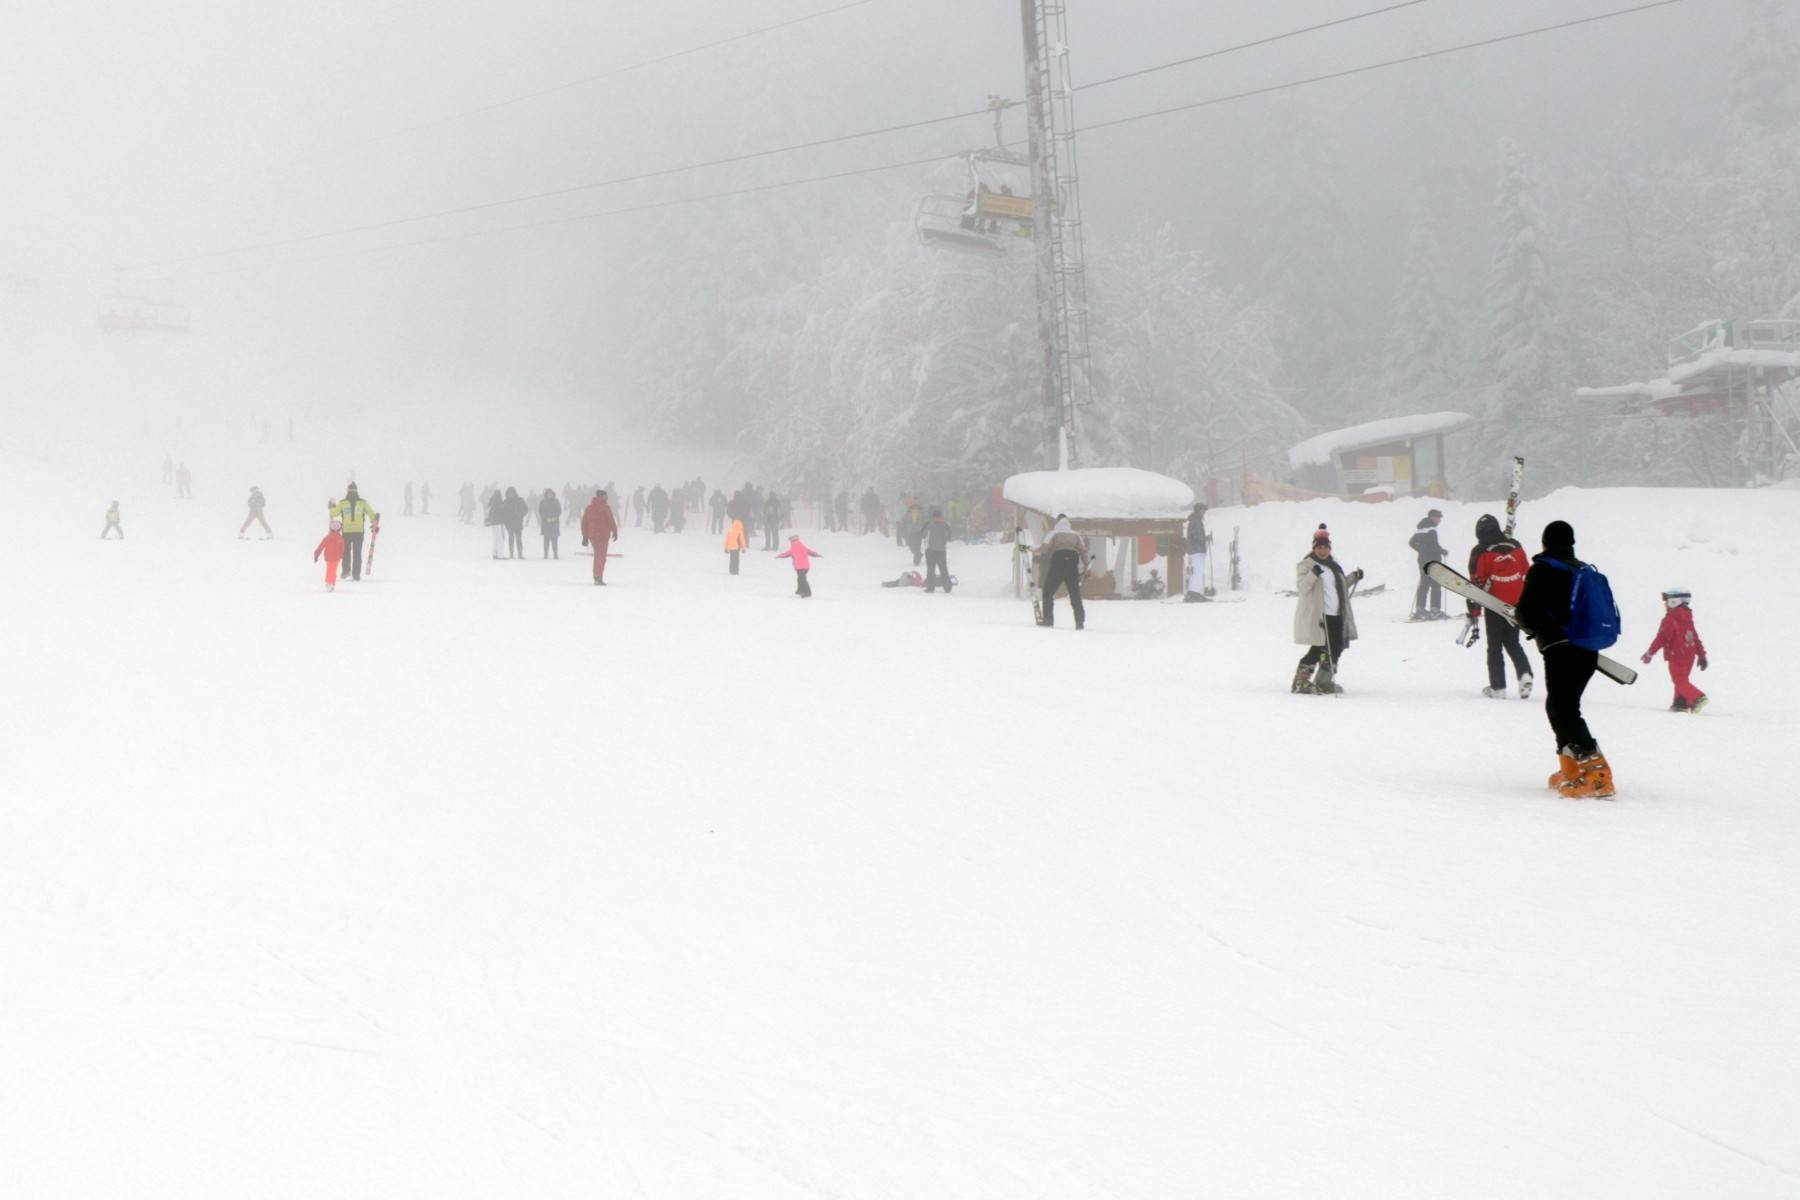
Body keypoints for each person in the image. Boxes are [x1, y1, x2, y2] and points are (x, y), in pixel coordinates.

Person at [1515, 520, 1614, 798]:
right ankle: (1572, 767)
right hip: (1587, 648)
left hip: (1560, 648)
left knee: (1564, 708)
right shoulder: (1581, 569)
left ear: (1545, 542)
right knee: (1561, 705)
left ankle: (1598, 776)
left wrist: (1533, 627)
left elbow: (1526, 611)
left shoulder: (1543, 569)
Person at [1468, 513, 1532, 698]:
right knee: (1513, 642)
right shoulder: (1515, 545)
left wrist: (1474, 610)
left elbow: (1475, 584)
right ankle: (1525, 674)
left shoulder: (1479, 550)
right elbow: (1526, 570)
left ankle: (1498, 688)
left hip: (1494, 603)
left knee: (1494, 646)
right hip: (1516, 602)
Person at [1291, 529, 1362, 694]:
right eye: (1319, 547)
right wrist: (1313, 574)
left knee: (1336, 648)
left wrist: (1354, 577)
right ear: (1314, 548)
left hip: (1337, 614)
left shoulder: (1334, 566)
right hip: (1319, 616)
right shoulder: (1306, 565)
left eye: (1325, 547)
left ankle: (1324, 681)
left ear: (1329, 548)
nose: (1322, 550)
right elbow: (1302, 588)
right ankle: (1300, 682)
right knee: (1318, 648)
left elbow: (1340, 586)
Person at [1642, 587, 1708, 713]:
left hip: (1677, 655)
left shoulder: (1670, 619)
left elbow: (1661, 638)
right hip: (1689, 655)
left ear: (1674, 601)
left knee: (1679, 680)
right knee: (1682, 680)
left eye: (1667, 601)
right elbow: (1695, 637)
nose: (1665, 604)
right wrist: (1701, 655)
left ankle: (1698, 697)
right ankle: (1680, 703)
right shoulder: (1688, 618)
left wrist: (1650, 653)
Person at [1035, 515, 1086, 629]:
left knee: (1048, 592)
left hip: (1058, 561)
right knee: (1075, 594)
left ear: (1057, 522)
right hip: (1072, 562)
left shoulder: (1054, 533)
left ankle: (1048, 620)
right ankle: (1079, 621)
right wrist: (1086, 566)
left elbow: (1044, 547)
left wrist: (1026, 548)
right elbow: (1083, 550)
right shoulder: (1075, 534)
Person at [328, 483, 377, 581]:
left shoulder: (343, 503)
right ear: (357, 491)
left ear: (348, 491)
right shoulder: (362, 503)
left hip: (347, 532)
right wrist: (374, 523)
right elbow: (372, 513)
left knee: (346, 552)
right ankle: (356, 574)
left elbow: (334, 513)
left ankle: (346, 570)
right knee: (357, 553)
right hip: (359, 532)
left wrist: (331, 506)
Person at [1408, 508, 1448, 620]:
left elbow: (1411, 542)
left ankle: (1420, 609)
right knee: (1436, 584)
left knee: (1424, 583)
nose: (1439, 520)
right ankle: (1435, 610)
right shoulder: (1432, 529)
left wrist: (1421, 550)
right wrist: (1442, 551)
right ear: (1432, 517)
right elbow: (1434, 545)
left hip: (1422, 560)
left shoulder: (1420, 529)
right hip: (1433, 560)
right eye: (1438, 518)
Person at [580, 489, 620, 585]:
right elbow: (611, 520)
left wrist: (585, 536)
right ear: (602, 496)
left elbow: (584, 523)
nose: (607, 498)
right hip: (603, 535)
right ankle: (598, 576)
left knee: (598, 555)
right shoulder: (605, 508)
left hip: (592, 535)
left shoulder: (589, 508)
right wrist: (615, 531)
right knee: (601, 556)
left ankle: (597, 576)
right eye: (606, 496)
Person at [922, 508, 953, 593]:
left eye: (938, 517)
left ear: (941, 517)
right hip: (930, 550)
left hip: (941, 551)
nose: (937, 519)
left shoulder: (945, 525)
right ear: (933, 517)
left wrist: (946, 538)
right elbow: (923, 534)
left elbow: (950, 536)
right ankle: (930, 588)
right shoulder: (929, 524)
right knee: (930, 570)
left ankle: (947, 587)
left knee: (943, 569)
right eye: (935, 517)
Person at [1184, 502, 1210, 601]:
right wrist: (1205, 539)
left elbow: (1196, 536)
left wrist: (1204, 538)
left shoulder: (1195, 520)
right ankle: (1193, 593)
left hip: (1195, 549)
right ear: (1198, 511)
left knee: (1197, 572)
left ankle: (1193, 592)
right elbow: (1196, 536)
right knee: (1198, 572)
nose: (1204, 512)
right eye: (1202, 510)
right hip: (1196, 550)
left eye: (1204, 510)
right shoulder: (1196, 521)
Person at [313, 519, 345, 591]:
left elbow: (321, 546)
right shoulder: (341, 539)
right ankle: (331, 583)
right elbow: (342, 549)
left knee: (330, 569)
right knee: (333, 570)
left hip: (328, 557)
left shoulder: (327, 538)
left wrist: (316, 554)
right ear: (340, 529)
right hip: (336, 558)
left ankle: (329, 582)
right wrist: (342, 556)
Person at [502, 486, 527, 558]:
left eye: (512, 493)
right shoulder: (505, 502)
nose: (511, 494)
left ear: (514, 493)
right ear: (507, 494)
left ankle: (520, 553)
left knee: (519, 539)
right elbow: (503, 512)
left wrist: (520, 515)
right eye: (509, 493)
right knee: (511, 538)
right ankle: (511, 553)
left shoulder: (520, 500)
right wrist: (505, 519)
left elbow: (525, 509)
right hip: (509, 523)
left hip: (518, 522)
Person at [538, 488, 562, 558]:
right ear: (546, 494)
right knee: (546, 540)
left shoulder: (556, 501)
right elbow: (540, 511)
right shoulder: (543, 502)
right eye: (548, 494)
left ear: (553, 494)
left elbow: (559, 510)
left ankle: (555, 554)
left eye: (550, 494)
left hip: (555, 523)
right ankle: (546, 554)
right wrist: (546, 518)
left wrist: (555, 517)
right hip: (546, 523)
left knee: (555, 540)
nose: (549, 495)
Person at [483, 487, 506, 558]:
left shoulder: (491, 502)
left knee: (495, 539)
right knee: (500, 538)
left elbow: (489, 512)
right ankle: (500, 555)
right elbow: (501, 512)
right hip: (499, 523)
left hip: (493, 523)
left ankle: (495, 554)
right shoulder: (499, 502)